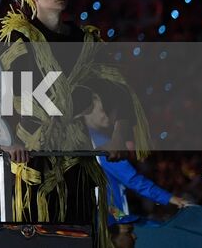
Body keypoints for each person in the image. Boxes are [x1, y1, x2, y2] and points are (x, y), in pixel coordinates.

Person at [0, 0, 149, 247]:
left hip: (76, 153)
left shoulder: (85, 40)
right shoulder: (22, 38)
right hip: (33, 154)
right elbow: (3, 91)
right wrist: (7, 138)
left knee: (80, 232)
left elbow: (117, 88)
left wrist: (120, 133)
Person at [76, 85, 192, 226]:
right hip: (111, 221)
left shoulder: (80, 141)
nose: (109, 116)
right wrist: (172, 199)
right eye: (102, 110)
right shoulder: (102, 145)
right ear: (86, 112)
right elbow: (132, 180)